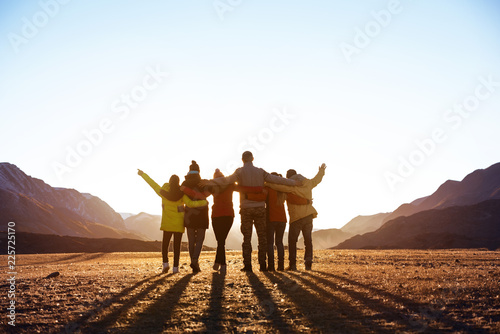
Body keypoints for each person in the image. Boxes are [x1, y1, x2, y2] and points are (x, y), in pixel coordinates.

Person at [201, 151, 301, 272]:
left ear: (242, 160)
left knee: (246, 238)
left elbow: (226, 180)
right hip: (260, 208)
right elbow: (276, 180)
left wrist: (210, 181)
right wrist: (294, 183)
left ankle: (248, 266)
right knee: (262, 238)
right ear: (252, 158)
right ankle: (263, 265)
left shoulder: (239, 172)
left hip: (246, 209)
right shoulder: (260, 172)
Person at [137, 169, 207, 274]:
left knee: (165, 245)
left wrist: (142, 174)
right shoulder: (181, 194)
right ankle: (175, 268)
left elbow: (152, 183)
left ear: (170, 182)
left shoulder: (162, 192)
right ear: (178, 183)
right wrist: (203, 202)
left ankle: (165, 264)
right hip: (178, 224)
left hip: (167, 223)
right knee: (176, 247)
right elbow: (190, 204)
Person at [266, 163, 326, 271]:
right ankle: (308, 262)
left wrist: (267, 183)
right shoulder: (308, 183)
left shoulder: (291, 186)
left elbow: (279, 186)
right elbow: (317, 179)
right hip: (308, 216)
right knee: (308, 240)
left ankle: (293, 265)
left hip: (296, 218)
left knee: (292, 241)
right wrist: (321, 170)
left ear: (288, 177)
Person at [181, 161, 210, 273]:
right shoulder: (202, 183)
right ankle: (195, 260)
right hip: (202, 214)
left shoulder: (184, 183)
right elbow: (208, 193)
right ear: (198, 171)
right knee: (200, 240)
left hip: (189, 214)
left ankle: (193, 261)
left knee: (191, 239)